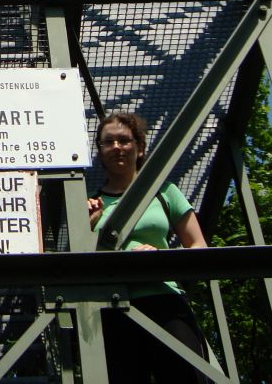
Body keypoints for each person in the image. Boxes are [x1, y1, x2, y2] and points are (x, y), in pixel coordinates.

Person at [87, 112, 210, 384]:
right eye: (108, 142)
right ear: (100, 151)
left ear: (139, 148)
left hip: (164, 300)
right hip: (113, 308)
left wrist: (162, 259)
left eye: (124, 140)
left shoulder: (164, 192)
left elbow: (199, 245)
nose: (117, 147)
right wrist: (88, 228)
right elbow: (81, 268)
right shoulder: (89, 205)